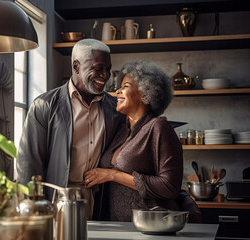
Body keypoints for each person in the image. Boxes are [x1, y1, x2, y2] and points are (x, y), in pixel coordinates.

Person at [16, 39, 126, 218]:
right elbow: (29, 163)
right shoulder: (44, 105)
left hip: (98, 199)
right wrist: (32, 209)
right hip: (56, 198)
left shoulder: (115, 109)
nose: (105, 75)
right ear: (76, 66)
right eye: (98, 68)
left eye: (108, 69)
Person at [84, 59, 201, 222]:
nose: (118, 91)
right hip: (117, 227)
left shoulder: (159, 128)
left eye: (125, 86)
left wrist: (112, 175)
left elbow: (169, 187)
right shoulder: (121, 131)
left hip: (150, 228)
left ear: (145, 93)